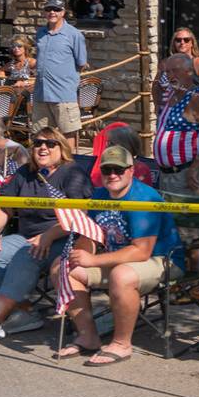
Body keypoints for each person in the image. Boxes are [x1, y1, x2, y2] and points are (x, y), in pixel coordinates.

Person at [52, 142, 183, 367]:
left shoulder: (144, 199)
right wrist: (81, 254)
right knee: (61, 267)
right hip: (119, 257)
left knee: (122, 276)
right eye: (107, 170)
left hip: (163, 258)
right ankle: (88, 335)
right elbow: (91, 235)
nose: (112, 175)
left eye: (118, 169)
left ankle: (122, 344)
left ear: (131, 170)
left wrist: (93, 260)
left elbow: (142, 251)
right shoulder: (100, 195)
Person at [0, 125, 84, 346]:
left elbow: (80, 214)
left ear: (62, 147)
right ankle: (24, 310)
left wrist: (48, 235)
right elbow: (3, 205)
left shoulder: (72, 172)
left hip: (64, 237)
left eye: (50, 143)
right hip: (27, 235)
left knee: (27, 255)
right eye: (37, 143)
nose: (43, 148)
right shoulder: (25, 172)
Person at [153, 54, 199, 196]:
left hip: (186, 176)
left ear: (189, 72)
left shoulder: (196, 99)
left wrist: (195, 167)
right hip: (166, 175)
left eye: (175, 70)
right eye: (168, 72)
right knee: (169, 218)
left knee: (190, 218)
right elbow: (155, 91)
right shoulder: (170, 96)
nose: (171, 75)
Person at [32, 0, 89, 135]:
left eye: (56, 9)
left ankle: (67, 158)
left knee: (68, 134)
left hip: (64, 95)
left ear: (63, 12)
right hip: (41, 94)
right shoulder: (40, 33)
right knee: (41, 135)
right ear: (45, 12)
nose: (52, 12)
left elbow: (81, 64)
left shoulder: (74, 35)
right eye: (49, 9)